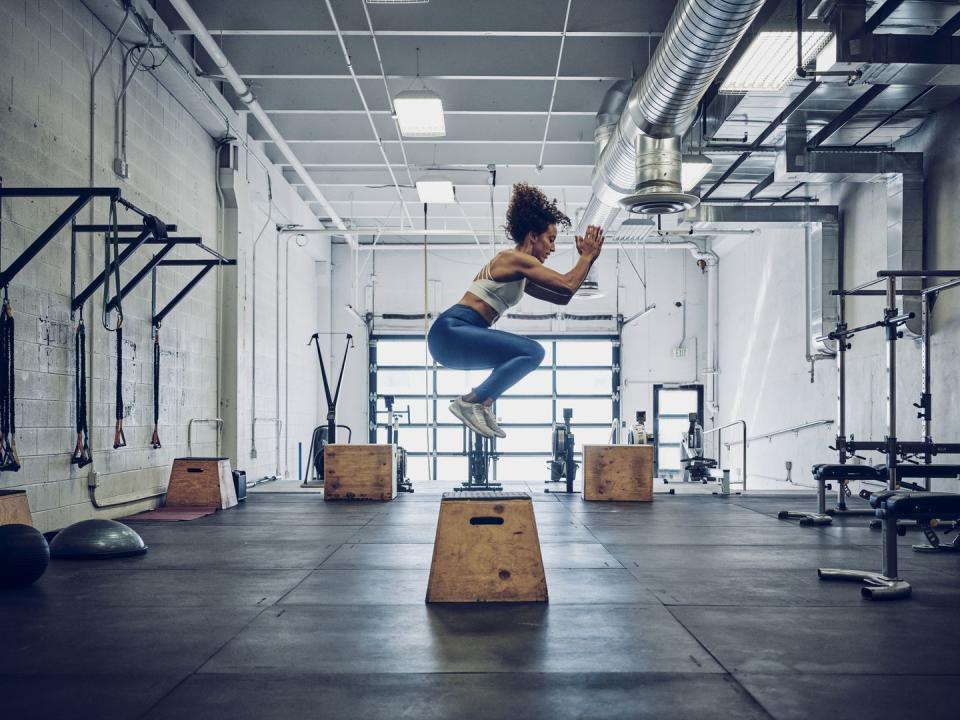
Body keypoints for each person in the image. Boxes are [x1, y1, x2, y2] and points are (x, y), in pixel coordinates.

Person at [427, 183, 605, 438]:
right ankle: (470, 402)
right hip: (452, 331)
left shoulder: (522, 274)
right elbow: (567, 285)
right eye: (550, 239)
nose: (552, 248)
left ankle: (483, 403)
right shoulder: (513, 259)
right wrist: (587, 257)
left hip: (457, 339)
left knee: (520, 357)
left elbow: (563, 298)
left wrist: (587, 262)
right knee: (533, 351)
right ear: (533, 236)